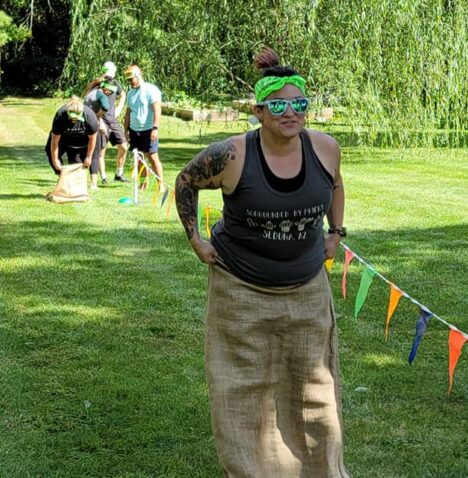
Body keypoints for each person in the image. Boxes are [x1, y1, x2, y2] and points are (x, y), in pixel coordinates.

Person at [174, 48, 348, 477]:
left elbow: (337, 185)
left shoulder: (325, 149)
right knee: (242, 391)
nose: (290, 113)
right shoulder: (232, 156)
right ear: (258, 111)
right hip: (241, 292)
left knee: (315, 393)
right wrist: (195, 238)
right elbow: (185, 182)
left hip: (307, 289)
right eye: (277, 105)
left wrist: (335, 231)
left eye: (299, 104)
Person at [123, 64, 165, 191]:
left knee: (152, 157)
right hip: (134, 130)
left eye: (131, 79)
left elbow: (157, 109)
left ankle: (161, 185)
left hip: (148, 129)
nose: (130, 82)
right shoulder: (130, 93)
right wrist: (125, 130)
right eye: (128, 80)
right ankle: (144, 183)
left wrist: (155, 128)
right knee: (139, 158)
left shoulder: (151, 90)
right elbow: (128, 112)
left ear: (138, 75)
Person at [45, 96, 98, 175]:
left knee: (76, 165)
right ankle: (61, 176)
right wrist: (55, 160)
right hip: (63, 137)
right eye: (72, 117)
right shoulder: (60, 115)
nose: (74, 120)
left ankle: (77, 182)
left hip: (81, 137)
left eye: (76, 118)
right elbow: (55, 141)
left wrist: (89, 156)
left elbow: (92, 139)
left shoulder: (89, 116)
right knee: (49, 151)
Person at [98, 62, 130, 182]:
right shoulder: (98, 84)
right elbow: (91, 102)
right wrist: (99, 120)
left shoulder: (115, 83)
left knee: (124, 147)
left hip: (113, 120)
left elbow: (123, 95)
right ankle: (103, 177)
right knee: (102, 150)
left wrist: (118, 108)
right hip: (102, 121)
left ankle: (119, 174)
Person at [82, 80, 112, 189]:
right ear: (105, 88)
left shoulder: (91, 92)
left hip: (83, 124)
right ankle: (93, 184)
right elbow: (105, 107)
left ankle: (81, 181)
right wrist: (98, 117)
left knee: (84, 153)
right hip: (92, 125)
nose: (110, 93)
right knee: (95, 154)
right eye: (110, 91)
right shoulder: (101, 95)